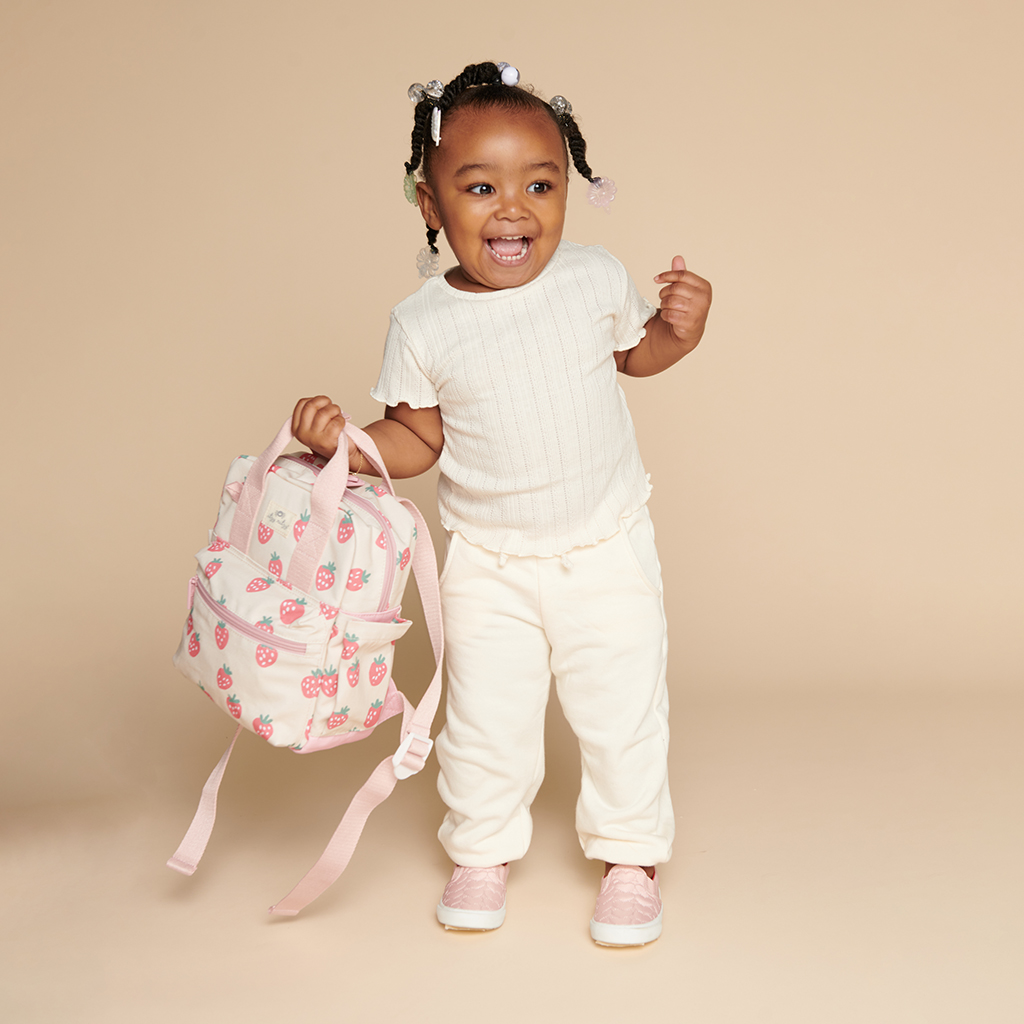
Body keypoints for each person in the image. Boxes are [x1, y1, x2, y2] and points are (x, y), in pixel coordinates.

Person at [292, 61, 711, 946]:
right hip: (488, 559)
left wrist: (678, 330)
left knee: (622, 704)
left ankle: (630, 858)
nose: (512, 208)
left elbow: (635, 359)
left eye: (540, 184)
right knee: (487, 715)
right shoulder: (423, 323)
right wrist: (349, 446)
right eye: (479, 187)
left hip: (606, 545)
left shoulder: (594, 279)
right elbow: (418, 439)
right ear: (430, 207)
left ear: (568, 191)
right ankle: (481, 849)